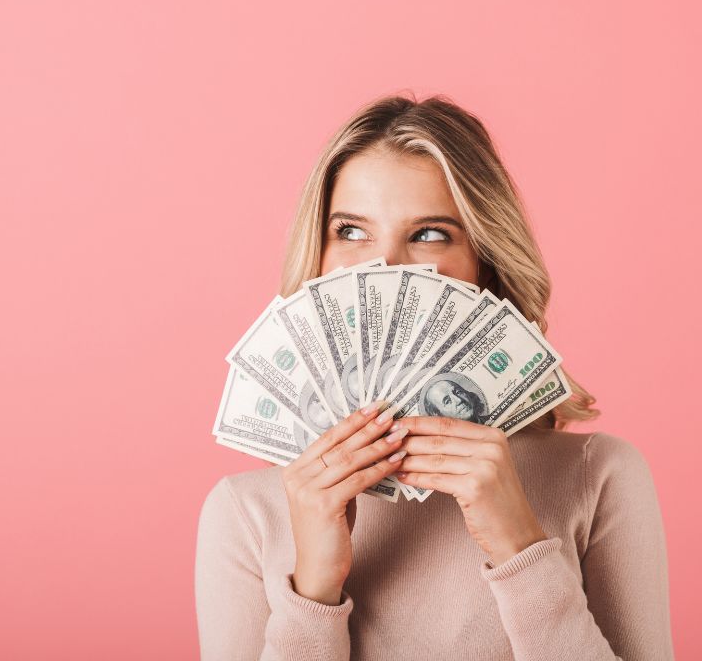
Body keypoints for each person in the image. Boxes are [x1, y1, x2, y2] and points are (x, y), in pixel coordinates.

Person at [195, 95, 673, 660]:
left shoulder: (598, 475)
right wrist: (313, 592)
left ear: (484, 262)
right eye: (350, 231)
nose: (385, 267)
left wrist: (521, 549)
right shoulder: (247, 511)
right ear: (318, 255)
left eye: (429, 234)